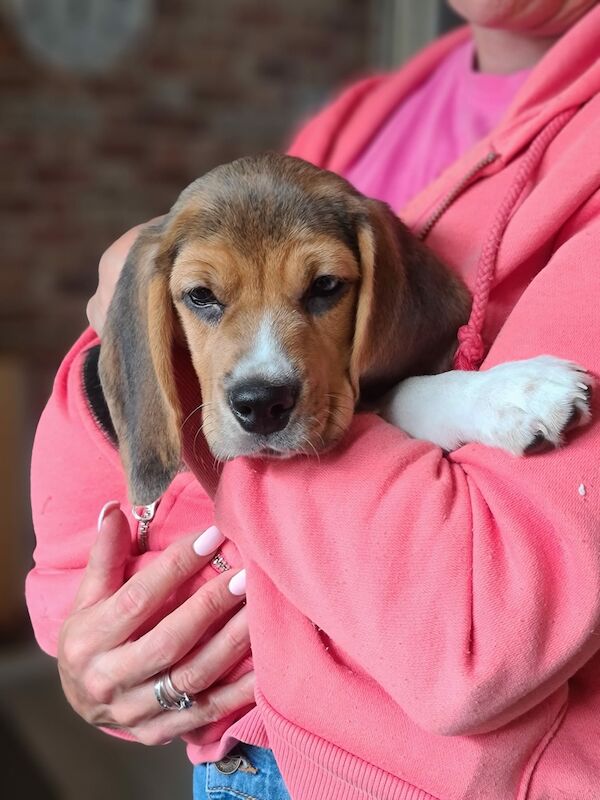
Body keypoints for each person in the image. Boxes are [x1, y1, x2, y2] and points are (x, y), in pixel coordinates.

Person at [28, 1, 600, 798]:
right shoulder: (360, 120)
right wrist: (98, 667)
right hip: (234, 757)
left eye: (324, 286)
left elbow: (475, 635)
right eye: (203, 299)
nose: (264, 365)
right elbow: (131, 528)